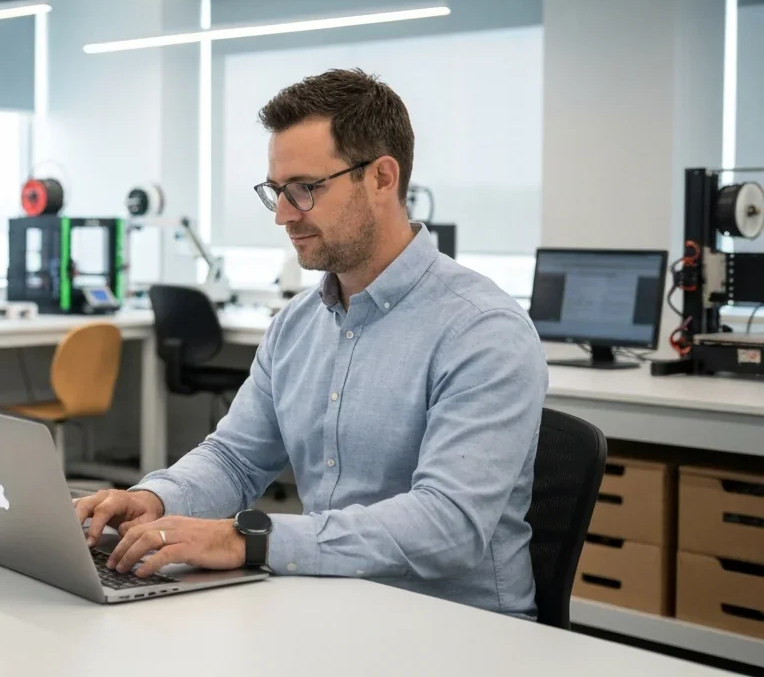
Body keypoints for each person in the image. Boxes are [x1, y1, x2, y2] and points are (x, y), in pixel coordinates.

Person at [75, 68, 546, 617]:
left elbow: (449, 525)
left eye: (304, 189)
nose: (282, 215)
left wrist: (247, 538)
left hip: (456, 629)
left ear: (382, 178)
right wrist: (154, 499)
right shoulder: (297, 324)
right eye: (276, 192)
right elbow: (235, 459)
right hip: (326, 603)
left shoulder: (482, 330)